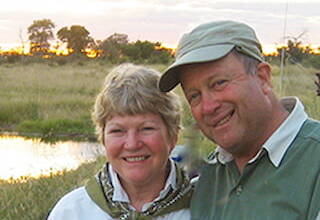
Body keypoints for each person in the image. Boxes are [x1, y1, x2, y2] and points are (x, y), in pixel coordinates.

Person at [158, 20, 320, 220]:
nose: (208, 107)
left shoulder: (313, 163)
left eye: (219, 83)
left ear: (262, 78)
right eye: (194, 96)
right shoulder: (206, 180)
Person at [48, 64, 193, 219]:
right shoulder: (72, 212)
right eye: (117, 131)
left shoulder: (207, 207)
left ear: (173, 135)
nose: (132, 144)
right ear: (103, 138)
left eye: (146, 129)